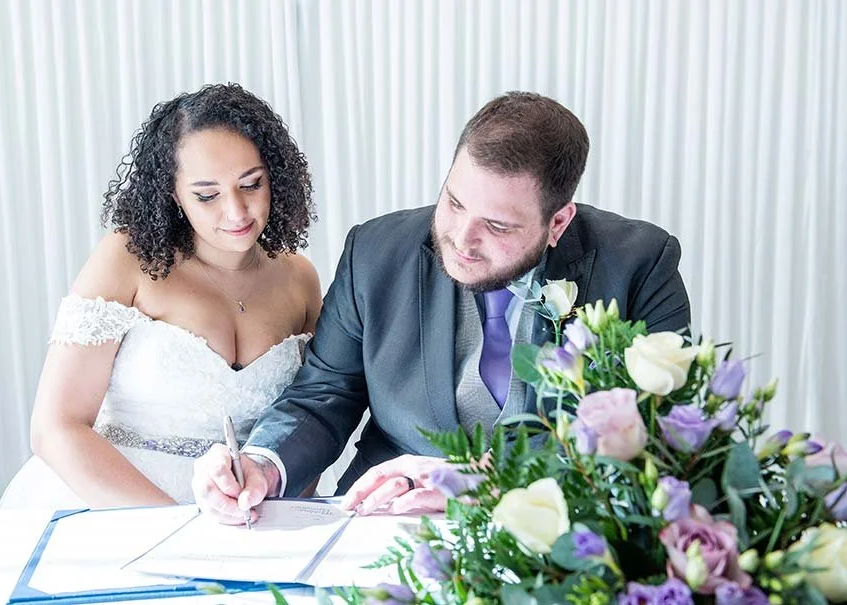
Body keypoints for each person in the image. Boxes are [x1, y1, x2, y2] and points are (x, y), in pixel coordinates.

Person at [192, 91, 690, 524]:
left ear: (557, 223)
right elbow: (324, 395)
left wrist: (481, 483)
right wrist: (263, 463)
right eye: (453, 202)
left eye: (497, 226)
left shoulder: (640, 265)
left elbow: (659, 442)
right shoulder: (375, 251)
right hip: (383, 524)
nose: (462, 240)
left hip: (555, 532)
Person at [0, 83, 321, 508]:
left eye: (251, 184)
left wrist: (280, 512)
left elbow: (312, 421)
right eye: (207, 195)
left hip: (242, 518)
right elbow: (56, 427)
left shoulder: (300, 279)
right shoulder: (128, 259)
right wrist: (172, 528)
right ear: (174, 195)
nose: (237, 212)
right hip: (109, 503)